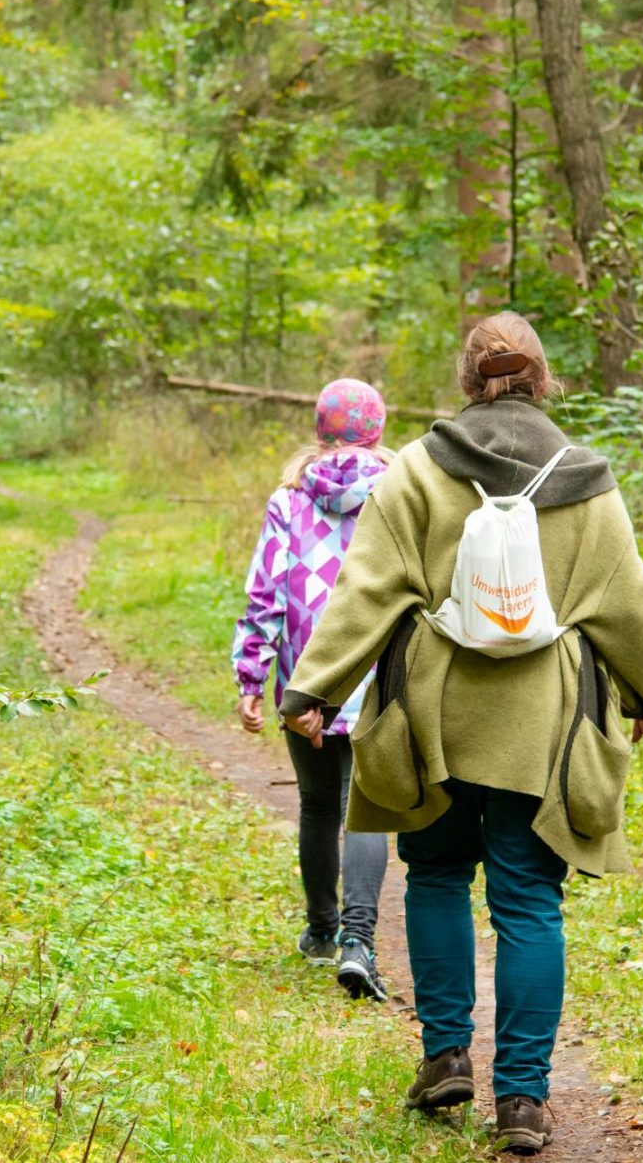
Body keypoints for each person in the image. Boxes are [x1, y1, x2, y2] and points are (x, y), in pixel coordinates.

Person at [279, 313, 643, 1156]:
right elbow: (625, 597)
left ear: (468, 381)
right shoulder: (587, 477)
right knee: (530, 901)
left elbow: (368, 589)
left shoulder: (421, 469)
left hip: (435, 716)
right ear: (544, 380)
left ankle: (446, 1056)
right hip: (543, 726)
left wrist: (315, 687)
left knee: (434, 877)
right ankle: (525, 1102)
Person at [233, 378, 396, 1000]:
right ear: (378, 430)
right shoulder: (401, 492)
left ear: (319, 428)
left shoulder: (291, 498)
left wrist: (253, 675)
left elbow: (266, 594)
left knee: (319, 805)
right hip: (378, 672)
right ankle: (358, 941)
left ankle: (323, 930)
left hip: (306, 676)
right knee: (366, 806)